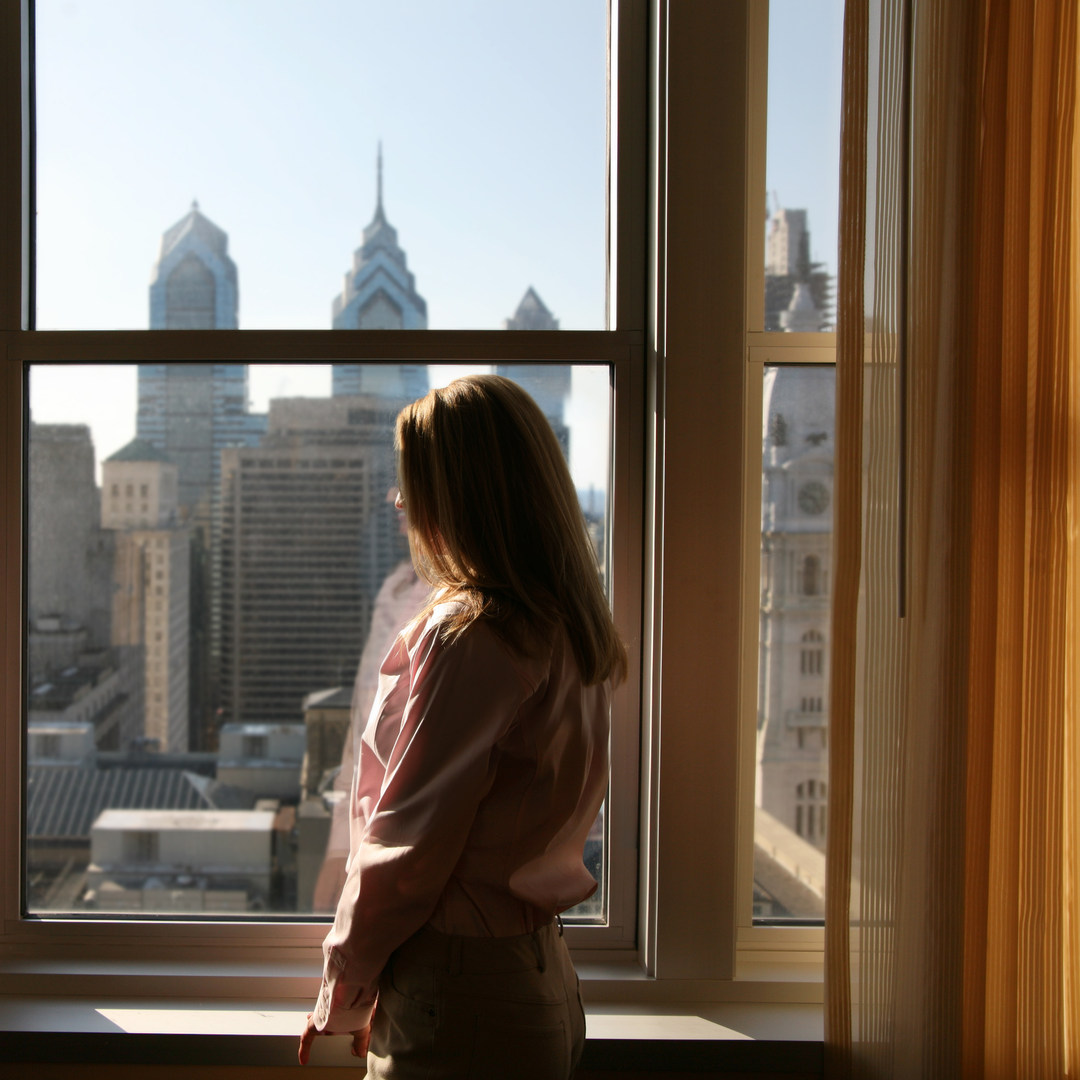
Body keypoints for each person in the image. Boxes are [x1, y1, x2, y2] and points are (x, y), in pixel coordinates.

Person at [298, 374, 625, 1078]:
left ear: (463, 496)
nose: (399, 501)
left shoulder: (473, 636)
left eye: (416, 484)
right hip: (539, 976)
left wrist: (345, 991)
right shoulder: (571, 625)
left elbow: (407, 845)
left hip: (463, 989)